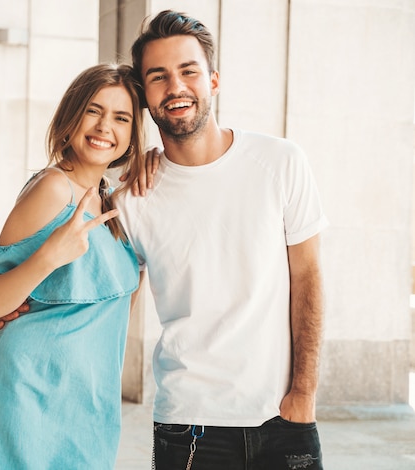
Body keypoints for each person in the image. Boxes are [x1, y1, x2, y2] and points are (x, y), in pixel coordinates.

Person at [114, 9, 329, 469]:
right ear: (144, 96)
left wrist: (304, 393)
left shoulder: (280, 161)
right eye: (158, 77)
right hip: (187, 426)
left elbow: (307, 277)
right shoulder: (132, 197)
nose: (175, 87)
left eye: (188, 71)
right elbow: (106, 292)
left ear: (213, 80)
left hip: (282, 415)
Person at [0, 63, 145, 470]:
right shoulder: (53, 188)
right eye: (94, 110)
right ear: (71, 117)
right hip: (27, 396)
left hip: (90, 404)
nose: (104, 126)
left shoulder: (112, 201)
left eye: (121, 117)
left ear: (132, 134)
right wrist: (49, 257)